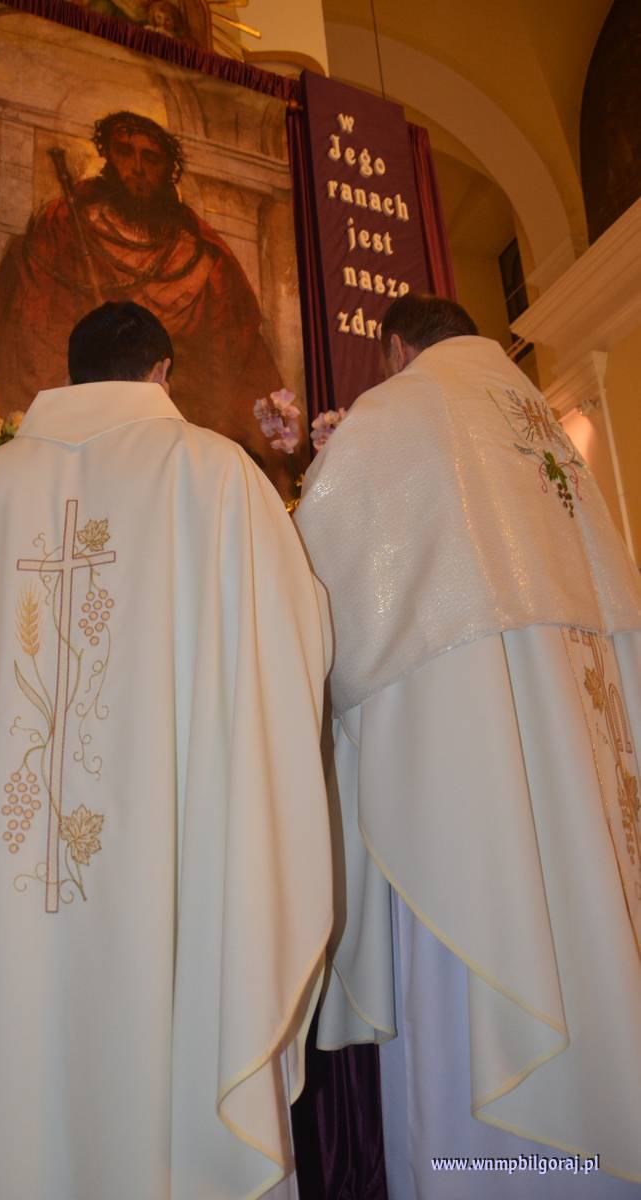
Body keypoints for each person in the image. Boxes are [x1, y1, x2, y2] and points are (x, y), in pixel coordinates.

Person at [0, 302, 333, 1199]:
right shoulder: (217, 477)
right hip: (163, 872)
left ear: (67, 372)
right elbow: (292, 653)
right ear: (161, 370)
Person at [294, 293, 641, 1198]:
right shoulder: (545, 428)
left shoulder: (402, 410)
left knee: (476, 994)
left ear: (395, 347)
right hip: (584, 768)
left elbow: (314, 587)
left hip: (460, 760)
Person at [0, 110, 291, 489]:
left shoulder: (201, 257)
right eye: (126, 152)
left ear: (169, 169)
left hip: (168, 465)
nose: (138, 168)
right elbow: (34, 331)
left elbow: (232, 359)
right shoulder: (66, 226)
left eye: (151, 158)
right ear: (108, 156)